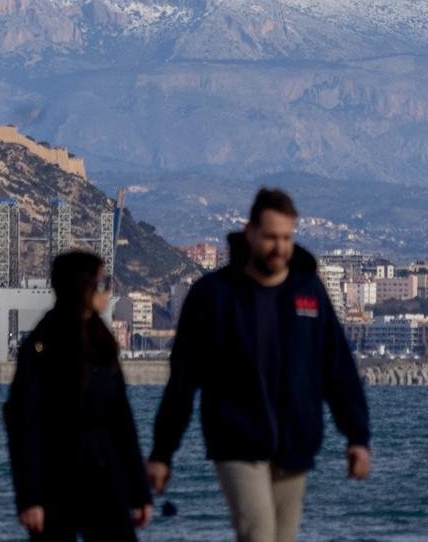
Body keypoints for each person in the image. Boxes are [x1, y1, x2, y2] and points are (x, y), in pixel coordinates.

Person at [148, 188, 371, 542]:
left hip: (295, 444)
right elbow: (183, 381)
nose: (279, 247)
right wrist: (162, 453)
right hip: (236, 442)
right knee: (259, 536)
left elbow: (337, 368)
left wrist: (357, 436)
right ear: (249, 231)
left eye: (286, 237)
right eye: (270, 237)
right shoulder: (213, 295)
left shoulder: (309, 292)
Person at [4, 251, 152, 540]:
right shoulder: (40, 347)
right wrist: (30, 499)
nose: (109, 290)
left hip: (105, 480)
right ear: (82, 287)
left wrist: (139, 491)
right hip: (55, 484)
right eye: (102, 283)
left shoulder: (103, 344)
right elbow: (23, 426)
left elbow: (123, 423)